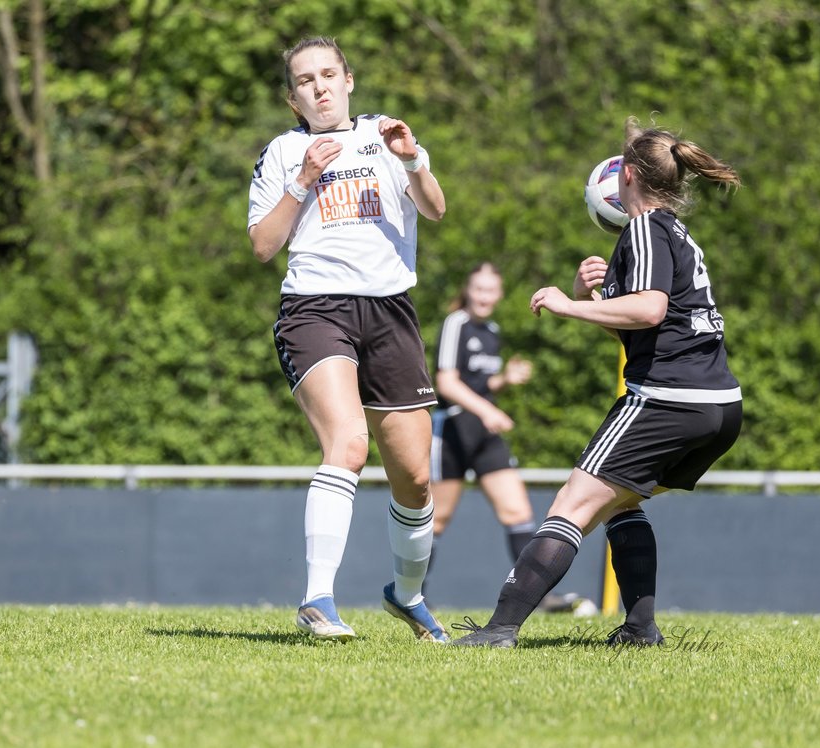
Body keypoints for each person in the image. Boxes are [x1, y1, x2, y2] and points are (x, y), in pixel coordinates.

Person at [453, 118, 743, 648]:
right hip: (718, 405)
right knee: (621, 503)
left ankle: (499, 630)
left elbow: (652, 310)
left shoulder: (645, 227)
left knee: (572, 504)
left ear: (626, 175)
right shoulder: (674, 231)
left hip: (668, 398)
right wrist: (600, 300)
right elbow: (657, 318)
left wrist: (565, 306)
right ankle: (639, 630)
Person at [248, 36, 448, 641]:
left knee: (414, 476)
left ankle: (406, 595)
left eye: (328, 74)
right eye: (305, 80)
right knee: (348, 441)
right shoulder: (283, 153)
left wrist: (412, 158)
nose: (320, 87)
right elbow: (262, 246)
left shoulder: (388, 136)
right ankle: (317, 599)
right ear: (293, 98)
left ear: (349, 79)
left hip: (390, 311)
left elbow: (436, 210)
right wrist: (304, 179)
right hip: (315, 308)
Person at [430, 262, 595, 615]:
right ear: (468, 291)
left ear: (499, 294)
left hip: (485, 435)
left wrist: (504, 380)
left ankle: (539, 596)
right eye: (479, 289)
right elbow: (446, 383)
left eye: (491, 290)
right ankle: (413, 595)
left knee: (518, 512)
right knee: (436, 519)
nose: (484, 296)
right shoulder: (455, 323)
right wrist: (487, 410)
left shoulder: (491, 330)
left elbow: (479, 383)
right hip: (454, 432)